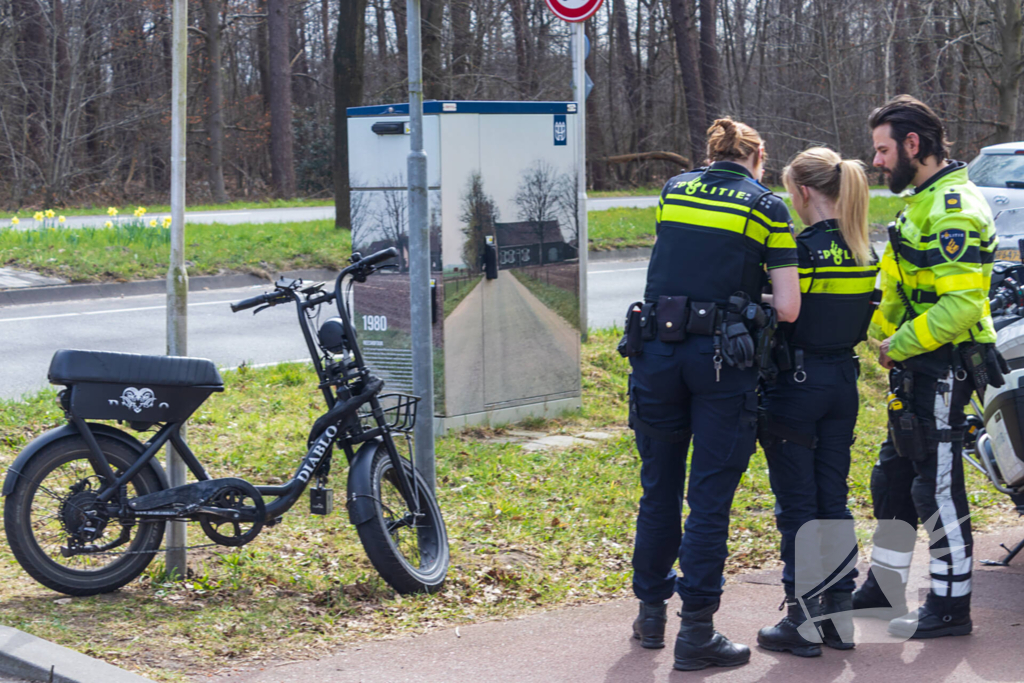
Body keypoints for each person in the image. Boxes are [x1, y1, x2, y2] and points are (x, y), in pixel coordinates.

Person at [626, 118, 801, 671]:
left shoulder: (672, 191)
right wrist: (753, 304)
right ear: (757, 158)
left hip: (655, 353)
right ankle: (696, 633)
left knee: (658, 489)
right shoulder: (767, 206)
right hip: (723, 366)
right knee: (708, 501)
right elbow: (790, 306)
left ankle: (650, 616)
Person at [852, 95, 998, 638]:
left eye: (884, 149)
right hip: (915, 366)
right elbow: (900, 287)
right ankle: (884, 587)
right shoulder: (923, 200)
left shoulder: (953, 206)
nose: (878, 161)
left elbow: (960, 306)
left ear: (914, 145)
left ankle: (950, 606)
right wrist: (877, 334)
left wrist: (899, 344)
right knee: (892, 478)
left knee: (935, 486)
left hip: (940, 366)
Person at [755, 148, 877, 657]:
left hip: (797, 387)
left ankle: (800, 619)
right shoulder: (864, 248)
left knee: (797, 506)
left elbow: (787, 310)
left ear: (804, 191)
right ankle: (838, 616)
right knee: (834, 500)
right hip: (843, 384)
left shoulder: (800, 247)